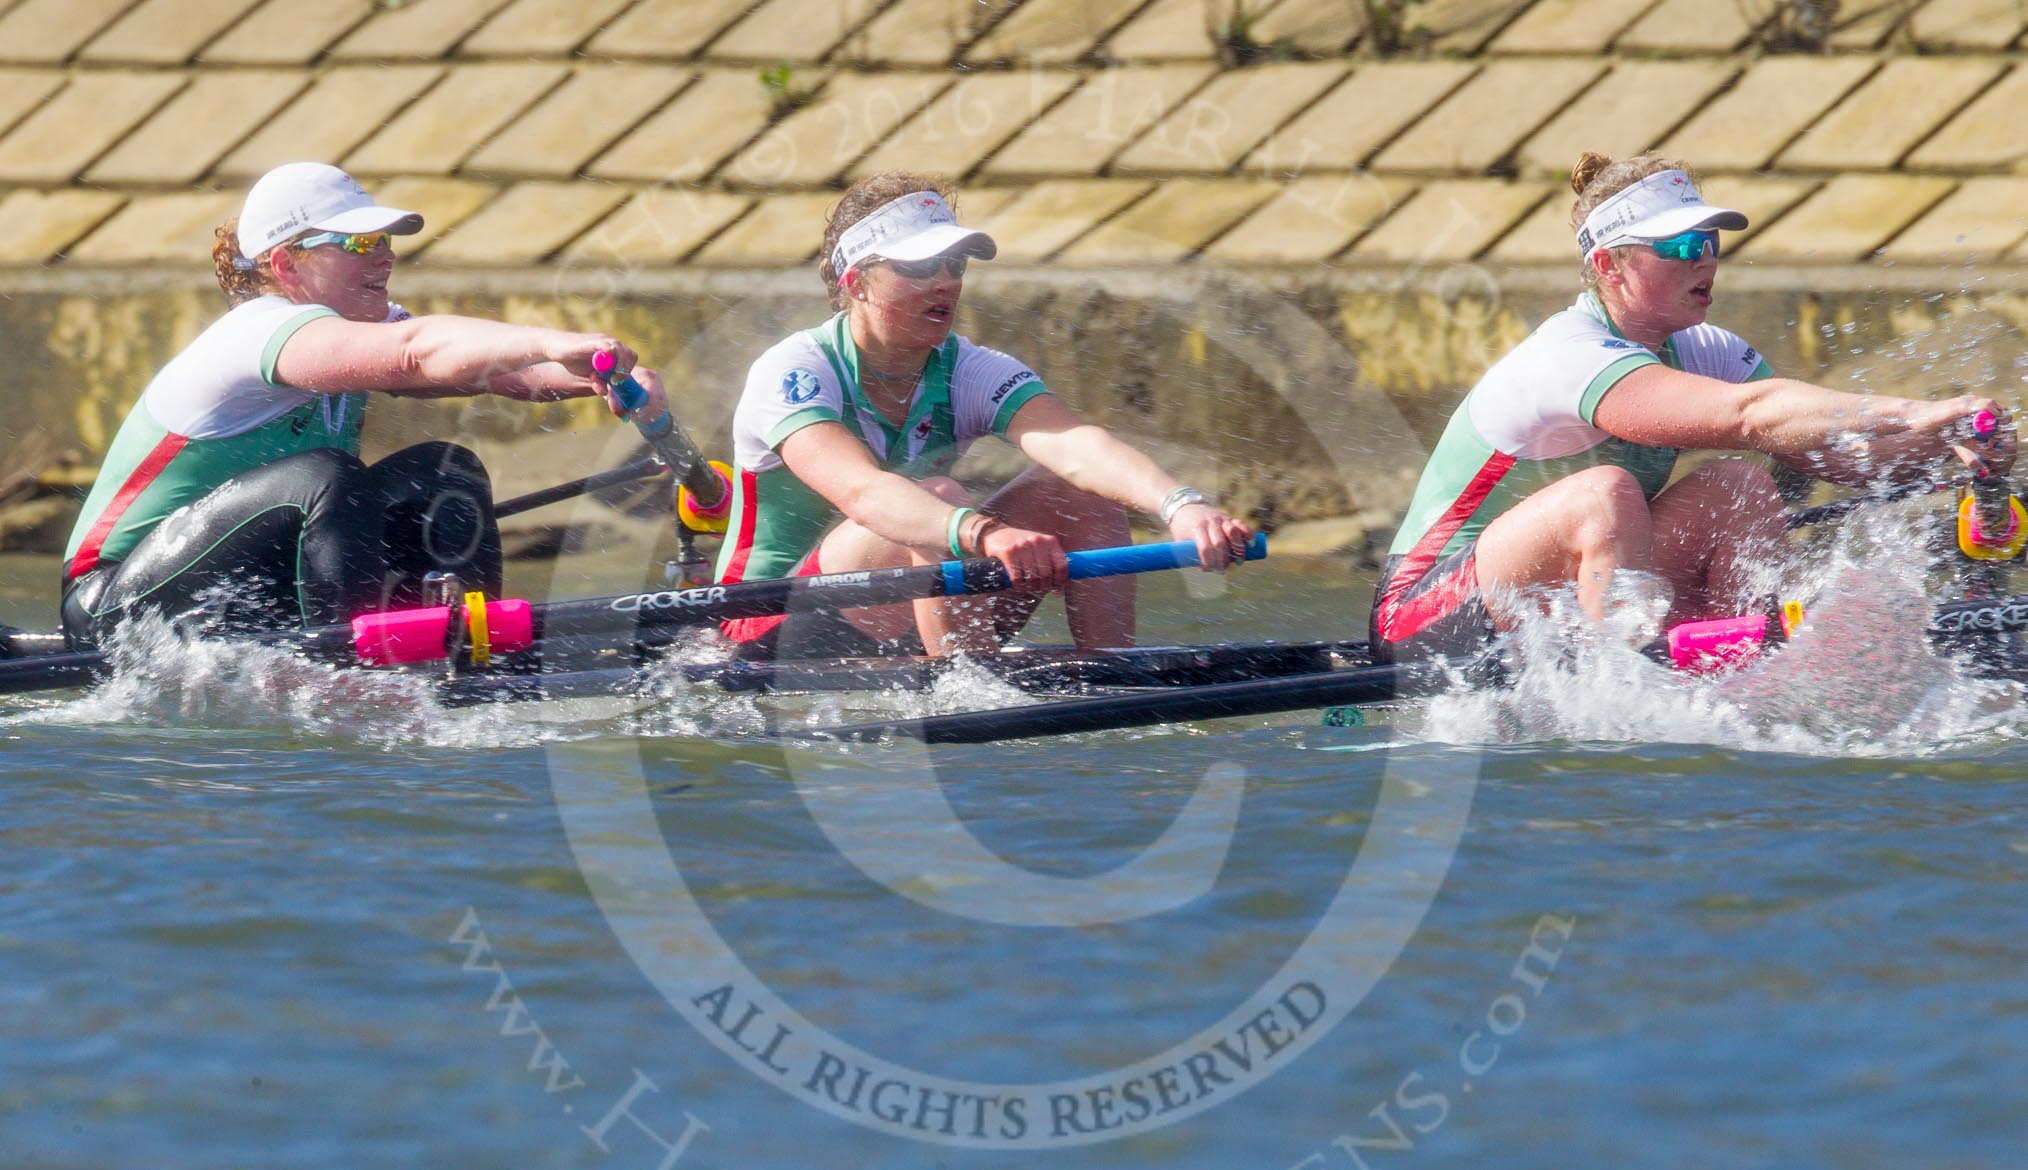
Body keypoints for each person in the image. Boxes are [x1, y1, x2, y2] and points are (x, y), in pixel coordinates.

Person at [1370, 150, 2014, 663]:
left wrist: (1953, 449)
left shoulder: (1705, 350)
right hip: (1424, 615)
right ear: (1609, 265)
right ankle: (1623, 685)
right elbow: (1753, 414)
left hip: (1556, 602)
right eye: (1678, 247)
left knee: (1740, 486)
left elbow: (1842, 454)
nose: (1703, 260)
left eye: (1709, 242)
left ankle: (1750, 671)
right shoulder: (1567, 356)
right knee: (1605, 492)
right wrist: (1913, 410)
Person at [61, 161, 669, 646]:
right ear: (285, 263)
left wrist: (606, 375)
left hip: (248, 581)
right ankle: (350, 666)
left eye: (383, 239)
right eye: (356, 240)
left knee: (443, 469)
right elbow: (416, 351)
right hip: (114, 602)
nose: (383, 255)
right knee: (324, 477)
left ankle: (474, 653)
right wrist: (555, 339)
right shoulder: (256, 333)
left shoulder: (353, 328)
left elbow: (495, 372)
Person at [715, 171, 1255, 658]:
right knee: (935, 497)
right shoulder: (794, 370)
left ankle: (1114, 672)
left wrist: (1182, 507)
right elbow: (863, 493)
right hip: (768, 624)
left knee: (1077, 493)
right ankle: (969, 684)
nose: (946, 280)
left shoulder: (971, 369)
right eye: (920, 266)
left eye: (954, 263)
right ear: (855, 282)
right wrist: (984, 534)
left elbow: (1075, 446)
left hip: (927, 602)